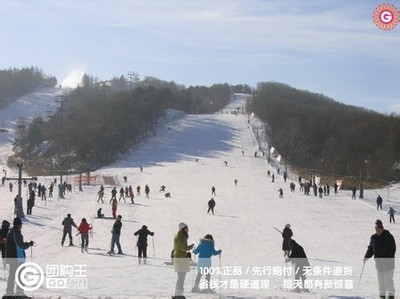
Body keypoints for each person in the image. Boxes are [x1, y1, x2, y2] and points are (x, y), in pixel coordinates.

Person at [364, 219, 396, 298]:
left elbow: (392, 249)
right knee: (381, 281)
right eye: (376, 230)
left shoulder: (388, 236)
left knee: (388, 280)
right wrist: (366, 257)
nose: (377, 231)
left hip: (388, 263)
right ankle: (382, 296)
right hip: (379, 264)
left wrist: (386, 259)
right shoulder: (373, 238)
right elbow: (371, 248)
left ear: (382, 229)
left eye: (379, 230)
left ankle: (391, 296)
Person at [4, 217, 35, 297]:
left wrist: (26, 243)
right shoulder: (16, 233)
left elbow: (15, 244)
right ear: (18, 225)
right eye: (21, 224)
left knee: (12, 275)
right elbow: (20, 246)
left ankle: (9, 292)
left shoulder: (10, 233)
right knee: (20, 275)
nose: (21, 226)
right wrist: (28, 244)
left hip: (11, 258)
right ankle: (19, 292)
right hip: (17, 258)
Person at [172, 222, 194, 298]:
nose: (188, 229)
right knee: (181, 277)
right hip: (181, 258)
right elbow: (184, 248)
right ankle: (179, 295)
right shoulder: (182, 237)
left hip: (178, 257)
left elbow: (181, 248)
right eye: (186, 228)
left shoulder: (178, 236)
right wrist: (191, 247)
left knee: (180, 276)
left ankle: (177, 294)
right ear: (183, 229)